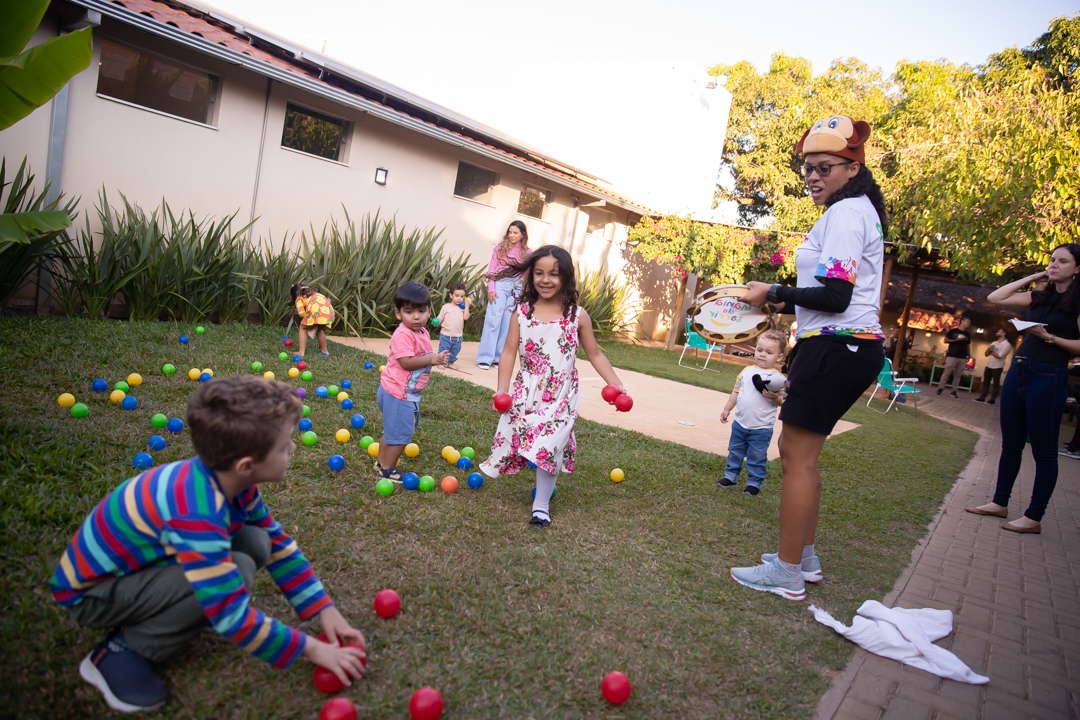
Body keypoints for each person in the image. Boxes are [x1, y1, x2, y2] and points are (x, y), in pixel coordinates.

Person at [50, 376, 366, 713]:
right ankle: (120, 652)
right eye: (284, 445)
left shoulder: (231, 482)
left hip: (143, 564)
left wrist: (323, 609)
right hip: (93, 595)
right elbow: (230, 615)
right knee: (240, 570)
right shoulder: (196, 511)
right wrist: (314, 650)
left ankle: (166, 606)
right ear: (246, 466)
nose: (292, 449)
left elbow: (276, 542)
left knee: (257, 541)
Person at [731, 115, 888, 600]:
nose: (814, 177)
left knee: (795, 457)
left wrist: (773, 288)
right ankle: (805, 557)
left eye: (825, 167)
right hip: (846, 346)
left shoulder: (846, 214)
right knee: (806, 458)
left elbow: (837, 296)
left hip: (838, 345)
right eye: (808, 169)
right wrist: (784, 299)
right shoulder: (853, 212)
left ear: (852, 169)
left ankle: (787, 572)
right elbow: (828, 291)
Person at [479, 245, 626, 528]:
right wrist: (502, 389)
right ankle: (526, 475)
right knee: (520, 440)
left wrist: (616, 385)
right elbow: (509, 352)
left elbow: (595, 353)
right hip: (527, 391)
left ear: (566, 277)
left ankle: (541, 506)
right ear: (531, 276)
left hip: (561, 394)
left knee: (550, 448)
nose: (546, 280)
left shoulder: (576, 316)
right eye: (539, 273)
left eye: (554, 274)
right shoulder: (522, 313)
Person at [965, 244, 1080, 533]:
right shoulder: (1041, 296)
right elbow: (995, 296)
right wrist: (1038, 274)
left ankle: (1034, 517)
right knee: (1010, 444)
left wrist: (1049, 337)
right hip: (1019, 370)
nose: (1054, 265)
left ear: (1077, 269)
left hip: (1049, 375)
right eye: (1051, 260)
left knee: (1043, 451)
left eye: (1062, 262)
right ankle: (999, 502)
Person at [376, 282, 450, 480]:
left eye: (422, 310)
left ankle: (380, 463)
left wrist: (437, 357)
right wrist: (431, 359)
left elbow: (422, 355)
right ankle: (387, 470)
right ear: (398, 314)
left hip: (396, 392)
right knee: (400, 436)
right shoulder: (402, 334)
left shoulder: (421, 332)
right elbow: (406, 362)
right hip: (399, 395)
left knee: (391, 431)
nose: (416, 316)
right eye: (409, 311)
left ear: (429, 312)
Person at [717, 330, 787, 496]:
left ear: (779, 357)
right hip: (740, 422)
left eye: (769, 352)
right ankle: (730, 476)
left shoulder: (777, 379)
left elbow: (783, 402)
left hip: (761, 427)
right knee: (735, 450)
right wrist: (727, 408)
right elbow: (736, 393)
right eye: (759, 350)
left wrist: (776, 398)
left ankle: (754, 482)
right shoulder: (746, 372)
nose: (762, 355)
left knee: (757, 455)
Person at [477, 221, 530, 369]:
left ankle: (497, 357)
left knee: (507, 323)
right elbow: (493, 267)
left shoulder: (528, 252)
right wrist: (491, 288)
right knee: (493, 320)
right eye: (510, 232)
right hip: (499, 284)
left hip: (516, 287)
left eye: (515, 233)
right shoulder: (501, 247)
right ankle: (484, 358)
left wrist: (523, 288)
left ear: (522, 235)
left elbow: (527, 273)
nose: (511, 236)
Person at [291, 283, 336, 357]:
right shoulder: (316, 294)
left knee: (303, 328)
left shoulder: (299, 297)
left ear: (295, 295)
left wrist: (306, 319)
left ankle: (301, 352)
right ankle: (325, 351)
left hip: (315, 312)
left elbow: (301, 313)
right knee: (318, 330)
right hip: (328, 313)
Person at [435, 282, 471, 370]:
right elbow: (440, 318)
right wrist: (437, 323)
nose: (459, 298)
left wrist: (467, 306)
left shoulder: (462, 308)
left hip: (458, 336)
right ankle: (440, 362)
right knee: (443, 349)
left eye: (462, 296)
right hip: (446, 334)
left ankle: (450, 363)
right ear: (451, 295)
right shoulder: (446, 307)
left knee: (455, 350)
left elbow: (466, 317)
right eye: (457, 296)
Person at [936, 317, 972, 397]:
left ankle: (954, 391)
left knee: (958, 375)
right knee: (947, 372)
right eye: (968, 321)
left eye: (969, 322)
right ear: (962, 321)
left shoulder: (967, 334)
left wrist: (969, 355)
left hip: (962, 357)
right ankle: (940, 388)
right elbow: (945, 340)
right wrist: (957, 340)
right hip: (952, 355)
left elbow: (967, 345)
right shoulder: (953, 331)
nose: (969, 323)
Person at [973, 328, 1012, 404]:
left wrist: (991, 352)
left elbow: (999, 356)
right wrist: (989, 349)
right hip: (989, 365)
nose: (997, 333)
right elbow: (986, 354)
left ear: (1003, 334)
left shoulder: (1007, 345)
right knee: (986, 382)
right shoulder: (994, 342)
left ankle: (992, 399)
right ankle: (982, 397)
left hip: (998, 366)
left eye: (998, 332)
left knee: (995, 383)